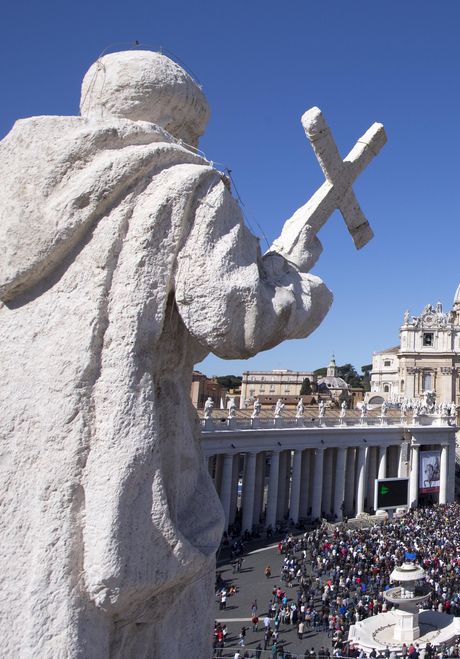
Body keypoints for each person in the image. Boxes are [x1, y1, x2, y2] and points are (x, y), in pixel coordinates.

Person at [0, 50, 340, 658]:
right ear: (178, 120)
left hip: (22, 438)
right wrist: (295, 280)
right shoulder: (183, 182)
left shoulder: (15, 188)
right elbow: (234, 321)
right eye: (194, 132)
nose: (197, 146)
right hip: (116, 433)